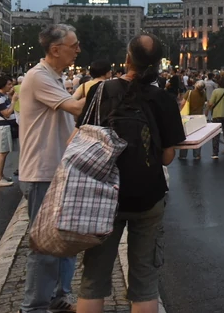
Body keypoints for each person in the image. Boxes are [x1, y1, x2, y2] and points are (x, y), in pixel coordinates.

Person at [76, 34, 186, 312]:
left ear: (127, 59)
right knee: (145, 281)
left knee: (93, 280)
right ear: (158, 64)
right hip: (148, 196)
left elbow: (80, 139)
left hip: (102, 196)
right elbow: (167, 158)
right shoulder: (163, 99)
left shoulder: (99, 91)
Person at [19, 24, 86, 313]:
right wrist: (110, 90)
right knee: (45, 247)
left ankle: (59, 296)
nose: (78, 50)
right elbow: (76, 109)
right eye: (74, 45)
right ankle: (34, 307)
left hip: (59, 171)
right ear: (55, 49)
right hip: (41, 172)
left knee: (66, 243)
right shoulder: (38, 77)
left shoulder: (56, 77)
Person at [0, 76, 16, 187]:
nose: (11, 86)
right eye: (9, 84)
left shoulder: (3, 96)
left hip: (6, 126)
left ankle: (1, 175)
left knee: (4, 152)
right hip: (3, 127)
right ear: (2, 86)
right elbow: (6, 113)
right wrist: (13, 101)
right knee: (2, 153)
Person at [179, 81, 207, 160]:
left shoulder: (189, 93)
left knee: (186, 136)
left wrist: (181, 111)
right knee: (197, 136)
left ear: (195, 85)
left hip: (188, 117)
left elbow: (182, 103)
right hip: (199, 117)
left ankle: (183, 155)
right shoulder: (203, 94)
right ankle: (197, 154)